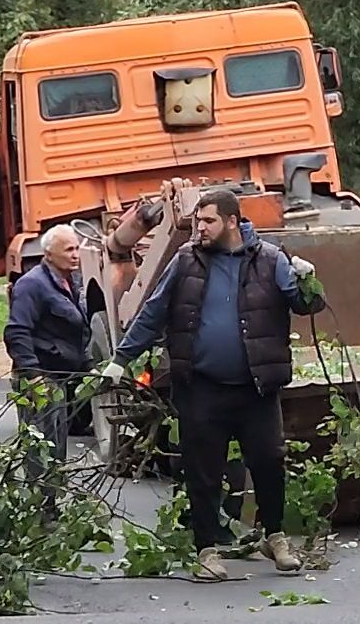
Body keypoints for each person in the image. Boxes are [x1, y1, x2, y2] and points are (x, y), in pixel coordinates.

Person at [103, 189, 325, 581]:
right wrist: (121, 360)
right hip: (201, 386)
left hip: (255, 387)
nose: (199, 228)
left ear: (231, 222)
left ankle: (274, 538)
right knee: (202, 469)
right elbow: (153, 310)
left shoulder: (270, 260)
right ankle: (207, 550)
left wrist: (308, 280)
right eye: (197, 221)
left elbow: (305, 305)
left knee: (269, 462)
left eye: (207, 221)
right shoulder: (185, 261)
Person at [2, 225, 92, 503]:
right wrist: (33, 375)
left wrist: (88, 368)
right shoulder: (32, 284)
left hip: (60, 377)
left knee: (57, 448)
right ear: (49, 254)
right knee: (40, 451)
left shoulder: (69, 282)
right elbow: (16, 331)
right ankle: (41, 511)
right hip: (40, 379)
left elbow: (75, 331)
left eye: (77, 248)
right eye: (69, 250)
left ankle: (49, 507)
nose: (76, 255)